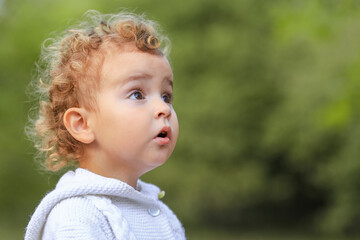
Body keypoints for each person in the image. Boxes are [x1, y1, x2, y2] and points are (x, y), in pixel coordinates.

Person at [25, 10, 185, 240]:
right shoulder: (76, 216)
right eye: (137, 94)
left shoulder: (164, 217)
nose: (164, 109)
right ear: (82, 124)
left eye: (166, 96)